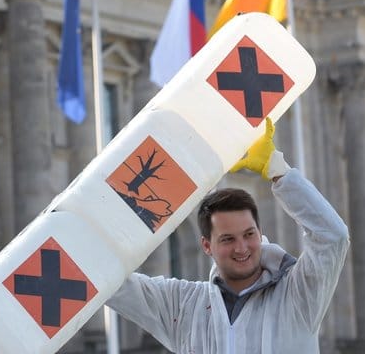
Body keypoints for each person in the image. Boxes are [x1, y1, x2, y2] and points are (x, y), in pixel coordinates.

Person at [108, 118, 349, 353]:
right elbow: (110, 284)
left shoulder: (298, 295)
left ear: (260, 233)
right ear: (206, 245)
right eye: (227, 239)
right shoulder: (183, 305)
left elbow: (332, 236)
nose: (242, 247)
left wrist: (278, 171)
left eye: (248, 234)